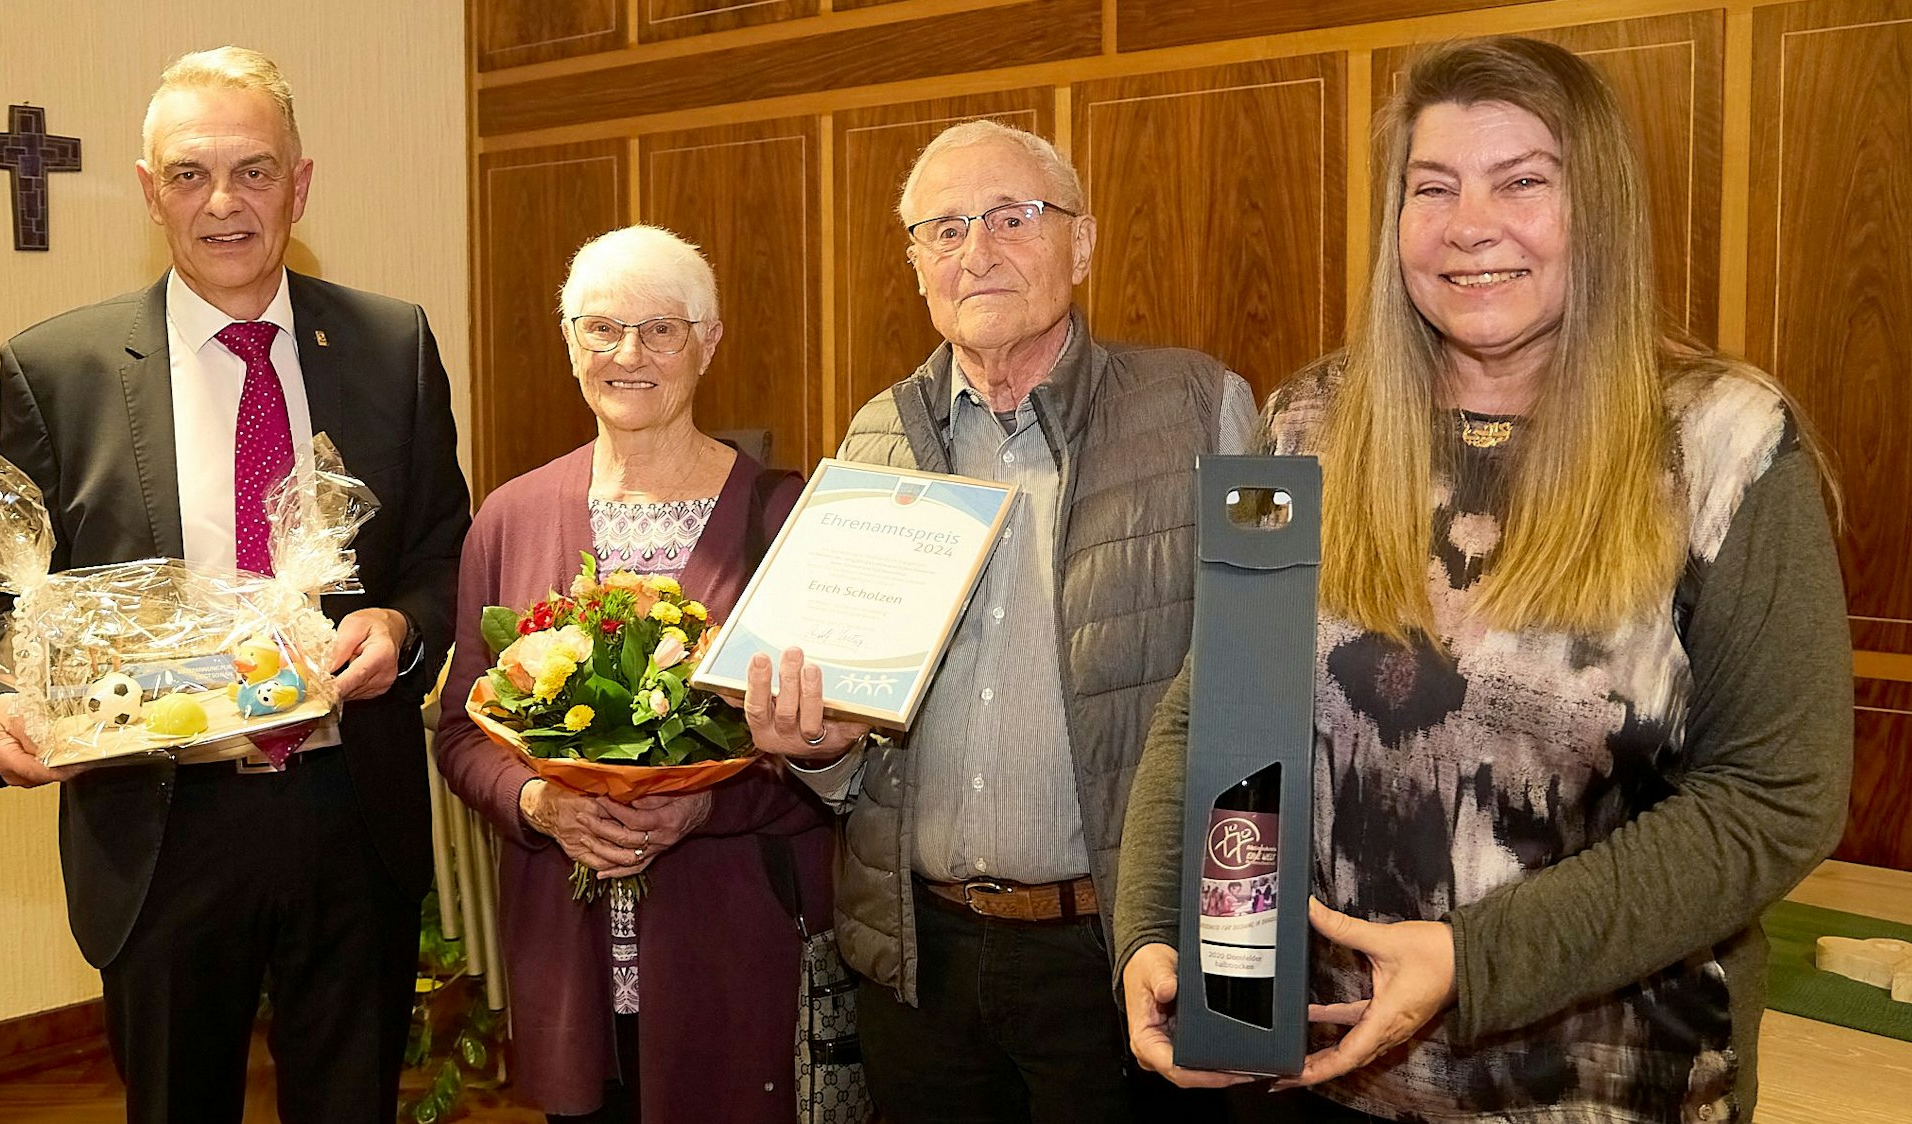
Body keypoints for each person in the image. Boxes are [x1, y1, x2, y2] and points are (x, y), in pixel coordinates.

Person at [1114, 36, 1853, 1123]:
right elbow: (1210, 711)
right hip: (1318, 1078)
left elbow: (1776, 799)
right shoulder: (1307, 423)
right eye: (1434, 187)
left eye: (1522, 183)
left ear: (1595, 209)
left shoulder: (1723, 446)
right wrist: (1152, 927)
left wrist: (1473, 957)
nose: (1471, 224)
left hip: (1610, 1087)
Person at [0, 47, 471, 1124]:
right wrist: (5, 699)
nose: (224, 202)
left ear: (301, 181)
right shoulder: (56, 369)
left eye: (253, 170)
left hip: (349, 812)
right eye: (190, 174)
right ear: (150, 192)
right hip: (161, 825)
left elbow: (440, 553)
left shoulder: (392, 344)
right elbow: (20, 605)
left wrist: (396, 622)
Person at [742, 120, 1257, 1123]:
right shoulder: (875, 434)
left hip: (1117, 953)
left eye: (1010, 218)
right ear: (915, 266)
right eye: (942, 229)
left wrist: (1231, 950)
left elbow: (1264, 696)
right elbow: (852, 741)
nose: (974, 250)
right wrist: (814, 750)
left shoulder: (1202, 405)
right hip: (921, 957)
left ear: (1083, 242)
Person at [432, 225, 835, 1124]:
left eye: (662, 329)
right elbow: (462, 730)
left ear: (710, 341)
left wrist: (704, 800)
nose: (629, 355)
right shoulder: (509, 517)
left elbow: (832, 752)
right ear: (569, 340)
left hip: (733, 944)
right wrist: (541, 804)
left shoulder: (788, 520)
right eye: (602, 328)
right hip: (567, 954)